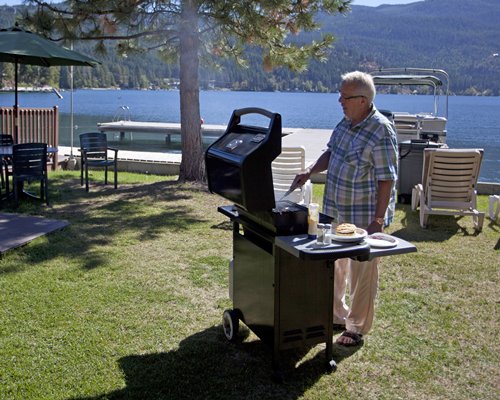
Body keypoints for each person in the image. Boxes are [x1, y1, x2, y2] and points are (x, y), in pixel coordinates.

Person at [291, 71, 398, 346]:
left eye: (345, 96)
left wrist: (377, 220)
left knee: (362, 273)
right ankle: (336, 315)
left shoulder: (380, 130)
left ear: (362, 100)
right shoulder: (347, 122)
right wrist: (310, 170)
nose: (340, 100)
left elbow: (387, 178)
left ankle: (357, 328)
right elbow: (331, 152)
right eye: (340, 95)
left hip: (363, 218)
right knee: (334, 265)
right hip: (335, 211)